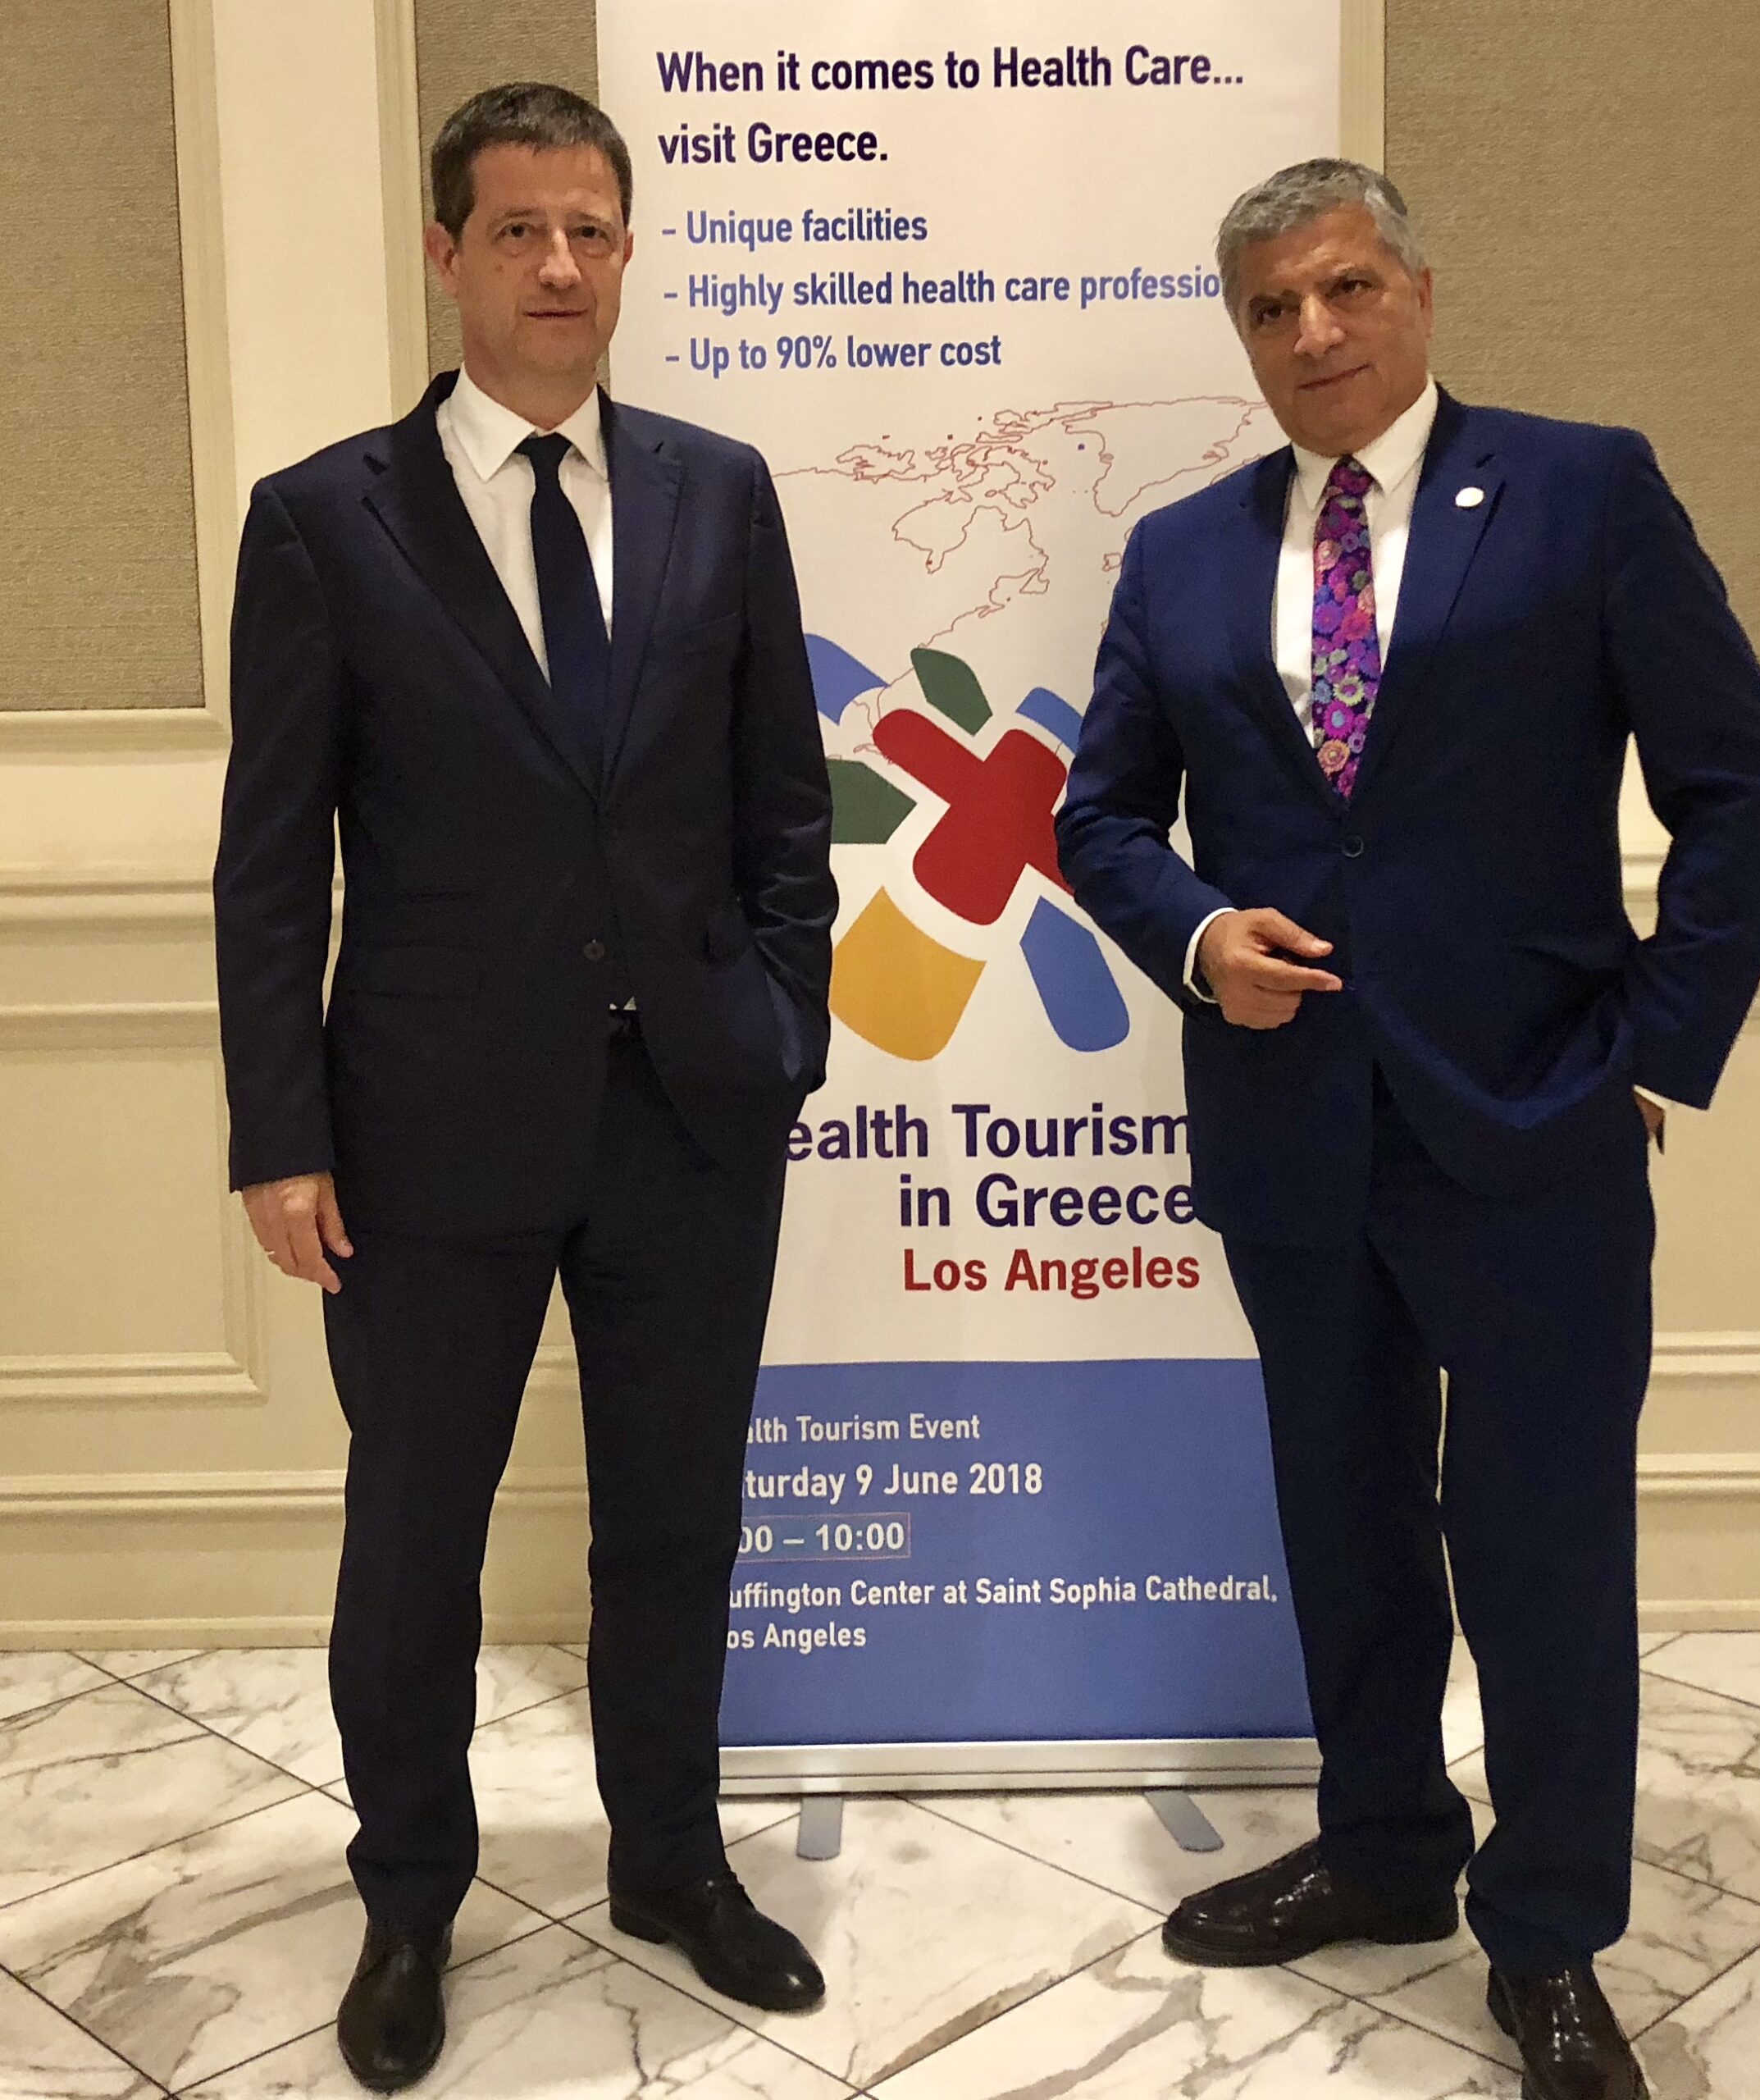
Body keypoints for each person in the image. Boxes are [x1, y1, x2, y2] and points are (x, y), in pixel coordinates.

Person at [1056, 159, 1760, 2100]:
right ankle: (1385, 1844)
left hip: (1539, 1114)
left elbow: (1739, 783)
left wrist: (1657, 1052)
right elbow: (1100, 813)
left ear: (1417, 289)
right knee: (1348, 1516)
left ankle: (1546, 1934)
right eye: (1272, 308)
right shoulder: (1181, 552)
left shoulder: (1582, 490)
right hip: (1291, 1128)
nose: (1314, 331)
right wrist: (1197, 936)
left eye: (1347, 287)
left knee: (1544, 1544)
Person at [212, 82, 835, 2093]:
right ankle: (409, 1892)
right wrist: (279, 1131)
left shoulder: (721, 491)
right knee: (416, 1537)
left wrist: (784, 1027)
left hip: (691, 1118)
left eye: (591, 230)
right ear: (447, 253)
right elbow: (270, 860)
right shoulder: (325, 518)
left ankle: (672, 1856)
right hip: (424, 1134)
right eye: (517, 231)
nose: (560, 267)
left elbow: (781, 805)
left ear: (628, 249)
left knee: (676, 1520)